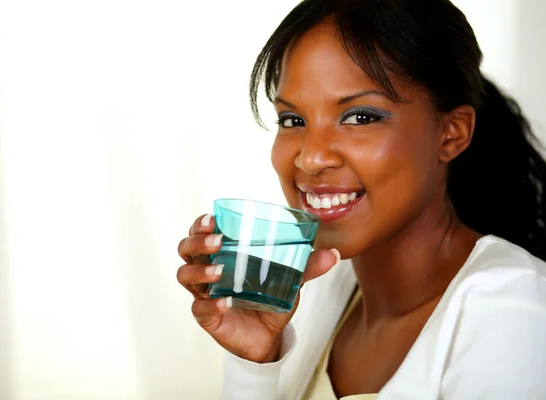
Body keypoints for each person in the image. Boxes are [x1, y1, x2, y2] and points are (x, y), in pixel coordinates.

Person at [176, 0, 546, 398]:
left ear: (450, 134)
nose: (311, 157)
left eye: (360, 117)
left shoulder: (511, 307)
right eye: (292, 120)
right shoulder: (324, 291)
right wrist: (255, 364)